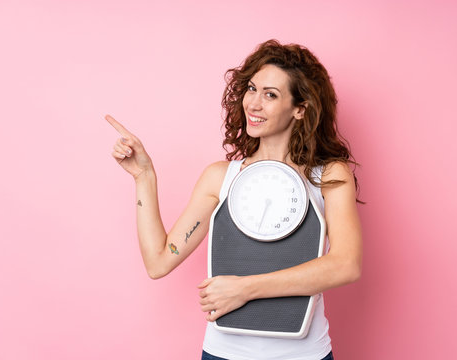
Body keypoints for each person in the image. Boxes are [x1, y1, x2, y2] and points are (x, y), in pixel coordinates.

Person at [106, 39, 363, 360]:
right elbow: (159, 262)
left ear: (301, 108)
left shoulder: (327, 176)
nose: (253, 104)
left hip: (303, 355)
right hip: (223, 353)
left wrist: (245, 289)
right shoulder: (220, 177)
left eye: (270, 94)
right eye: (252, 89)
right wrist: (144, 177)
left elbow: (346, 265)